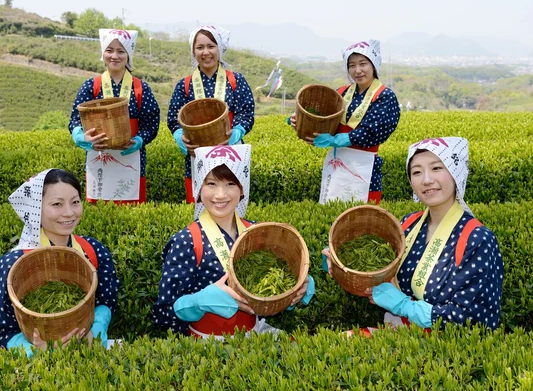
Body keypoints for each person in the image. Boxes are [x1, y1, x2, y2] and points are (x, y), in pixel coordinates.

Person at [322, 137, 504, 332]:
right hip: (396, 331)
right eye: (417, 172)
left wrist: (404, 306)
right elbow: (379, 277)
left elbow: (473, 320)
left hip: (443, 348)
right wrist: (341, 265)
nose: (426, 180)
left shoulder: (477, 239)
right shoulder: (408, 225)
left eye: (436, 168)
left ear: (455, 173)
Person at [152, 144, 314, 338]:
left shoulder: (257, 232)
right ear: (199, 189)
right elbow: (162, 313)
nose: (220, 194)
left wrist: (293, 292)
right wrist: (198, 302)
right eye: (211, 184)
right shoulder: (186, 241)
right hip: (206, 344)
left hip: (253, 336)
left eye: (230, 184)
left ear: (242, 189)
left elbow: (270, 296)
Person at [0, 169, 120, 355]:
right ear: (35, 209)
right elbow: (1, 330)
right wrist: (35, 351)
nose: (69, 213)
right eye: (57, 204)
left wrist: (97, 329)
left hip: (91, 349)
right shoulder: (12, 263)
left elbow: (107, 298)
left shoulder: (93, 250)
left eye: (75, 202)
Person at [290, 40, 400, 205]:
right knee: (331, 205)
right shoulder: (342, 92)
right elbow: (324, 119)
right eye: (352, 65)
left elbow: (373, 131)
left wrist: (338, 140)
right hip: (336, 159)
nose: (357, 70)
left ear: (374, 65)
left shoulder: (384, 95)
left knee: (362, 213)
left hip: (364, 163)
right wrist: (301, 120)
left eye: (363, 64)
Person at [69, 29, 160, 204]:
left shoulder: (141, 88)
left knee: (132, 209)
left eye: (121, 51)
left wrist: (140, 140)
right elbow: (75, 119)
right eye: (109, 50)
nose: (114, 56)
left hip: (132, 158)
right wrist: (80, 136)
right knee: (98, 208)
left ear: (128, 55)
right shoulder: (91, 86)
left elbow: (151, 123)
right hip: (97, 156)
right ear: (103, 53)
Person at [167, 25, 255, 203]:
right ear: (193, 52)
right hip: (196, 156)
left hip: (232, 153)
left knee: (231, 206)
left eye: (211, 46)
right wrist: (179, 137)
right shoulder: (184, 85)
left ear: (220, 48)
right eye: (200, 48)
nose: (206, 52)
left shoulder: (236, 80)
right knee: (199, 207)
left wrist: (236, 132)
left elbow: (246, 114)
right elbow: (173, 119)